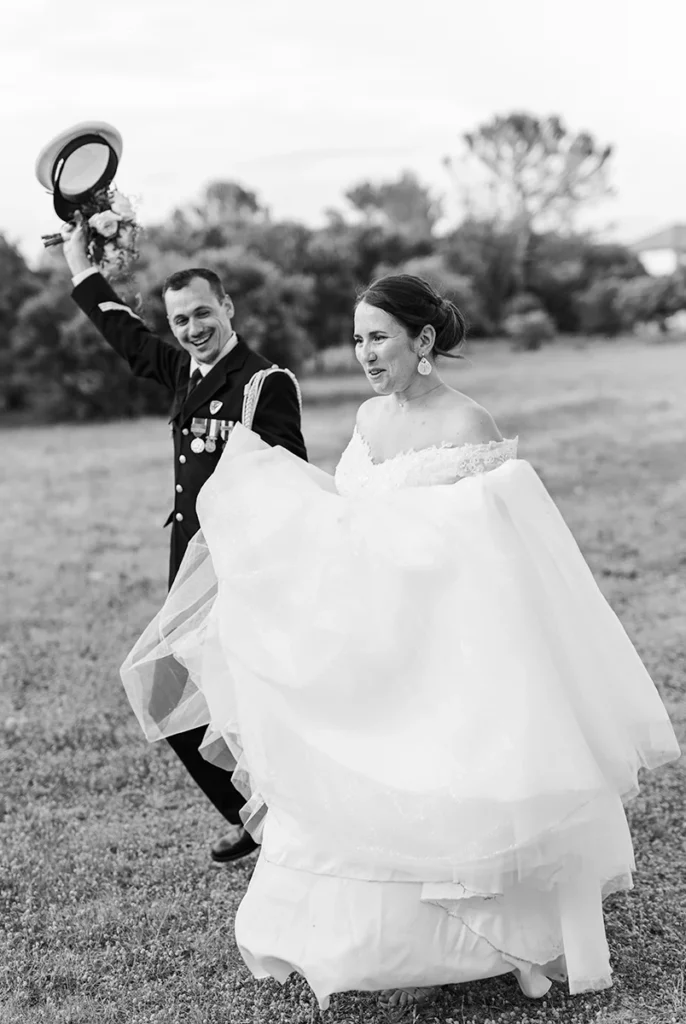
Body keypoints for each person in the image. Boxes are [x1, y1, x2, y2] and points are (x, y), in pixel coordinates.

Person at [120, 274, 680, 1010]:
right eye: (358, 339)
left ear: (423, 341)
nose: (365, 353)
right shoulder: (368, 418)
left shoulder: (470, 424)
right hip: (373, 626)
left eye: (379, 337)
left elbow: (486, 552)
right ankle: (354, 941)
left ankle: (490, 934)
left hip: (447, 634)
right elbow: (347, 512)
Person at [59, 216, 308, 865]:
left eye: (203, 313)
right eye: (180, 322)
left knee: (249, 700)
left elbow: (292, 488)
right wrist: (82, 269)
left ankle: (294, 820)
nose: (193, 329)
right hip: (191, 573)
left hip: (246, 576)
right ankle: (258, 817)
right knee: (170, 691)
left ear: (226, 307)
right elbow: (124, 334)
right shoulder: (183, 372)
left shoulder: (264, 384)